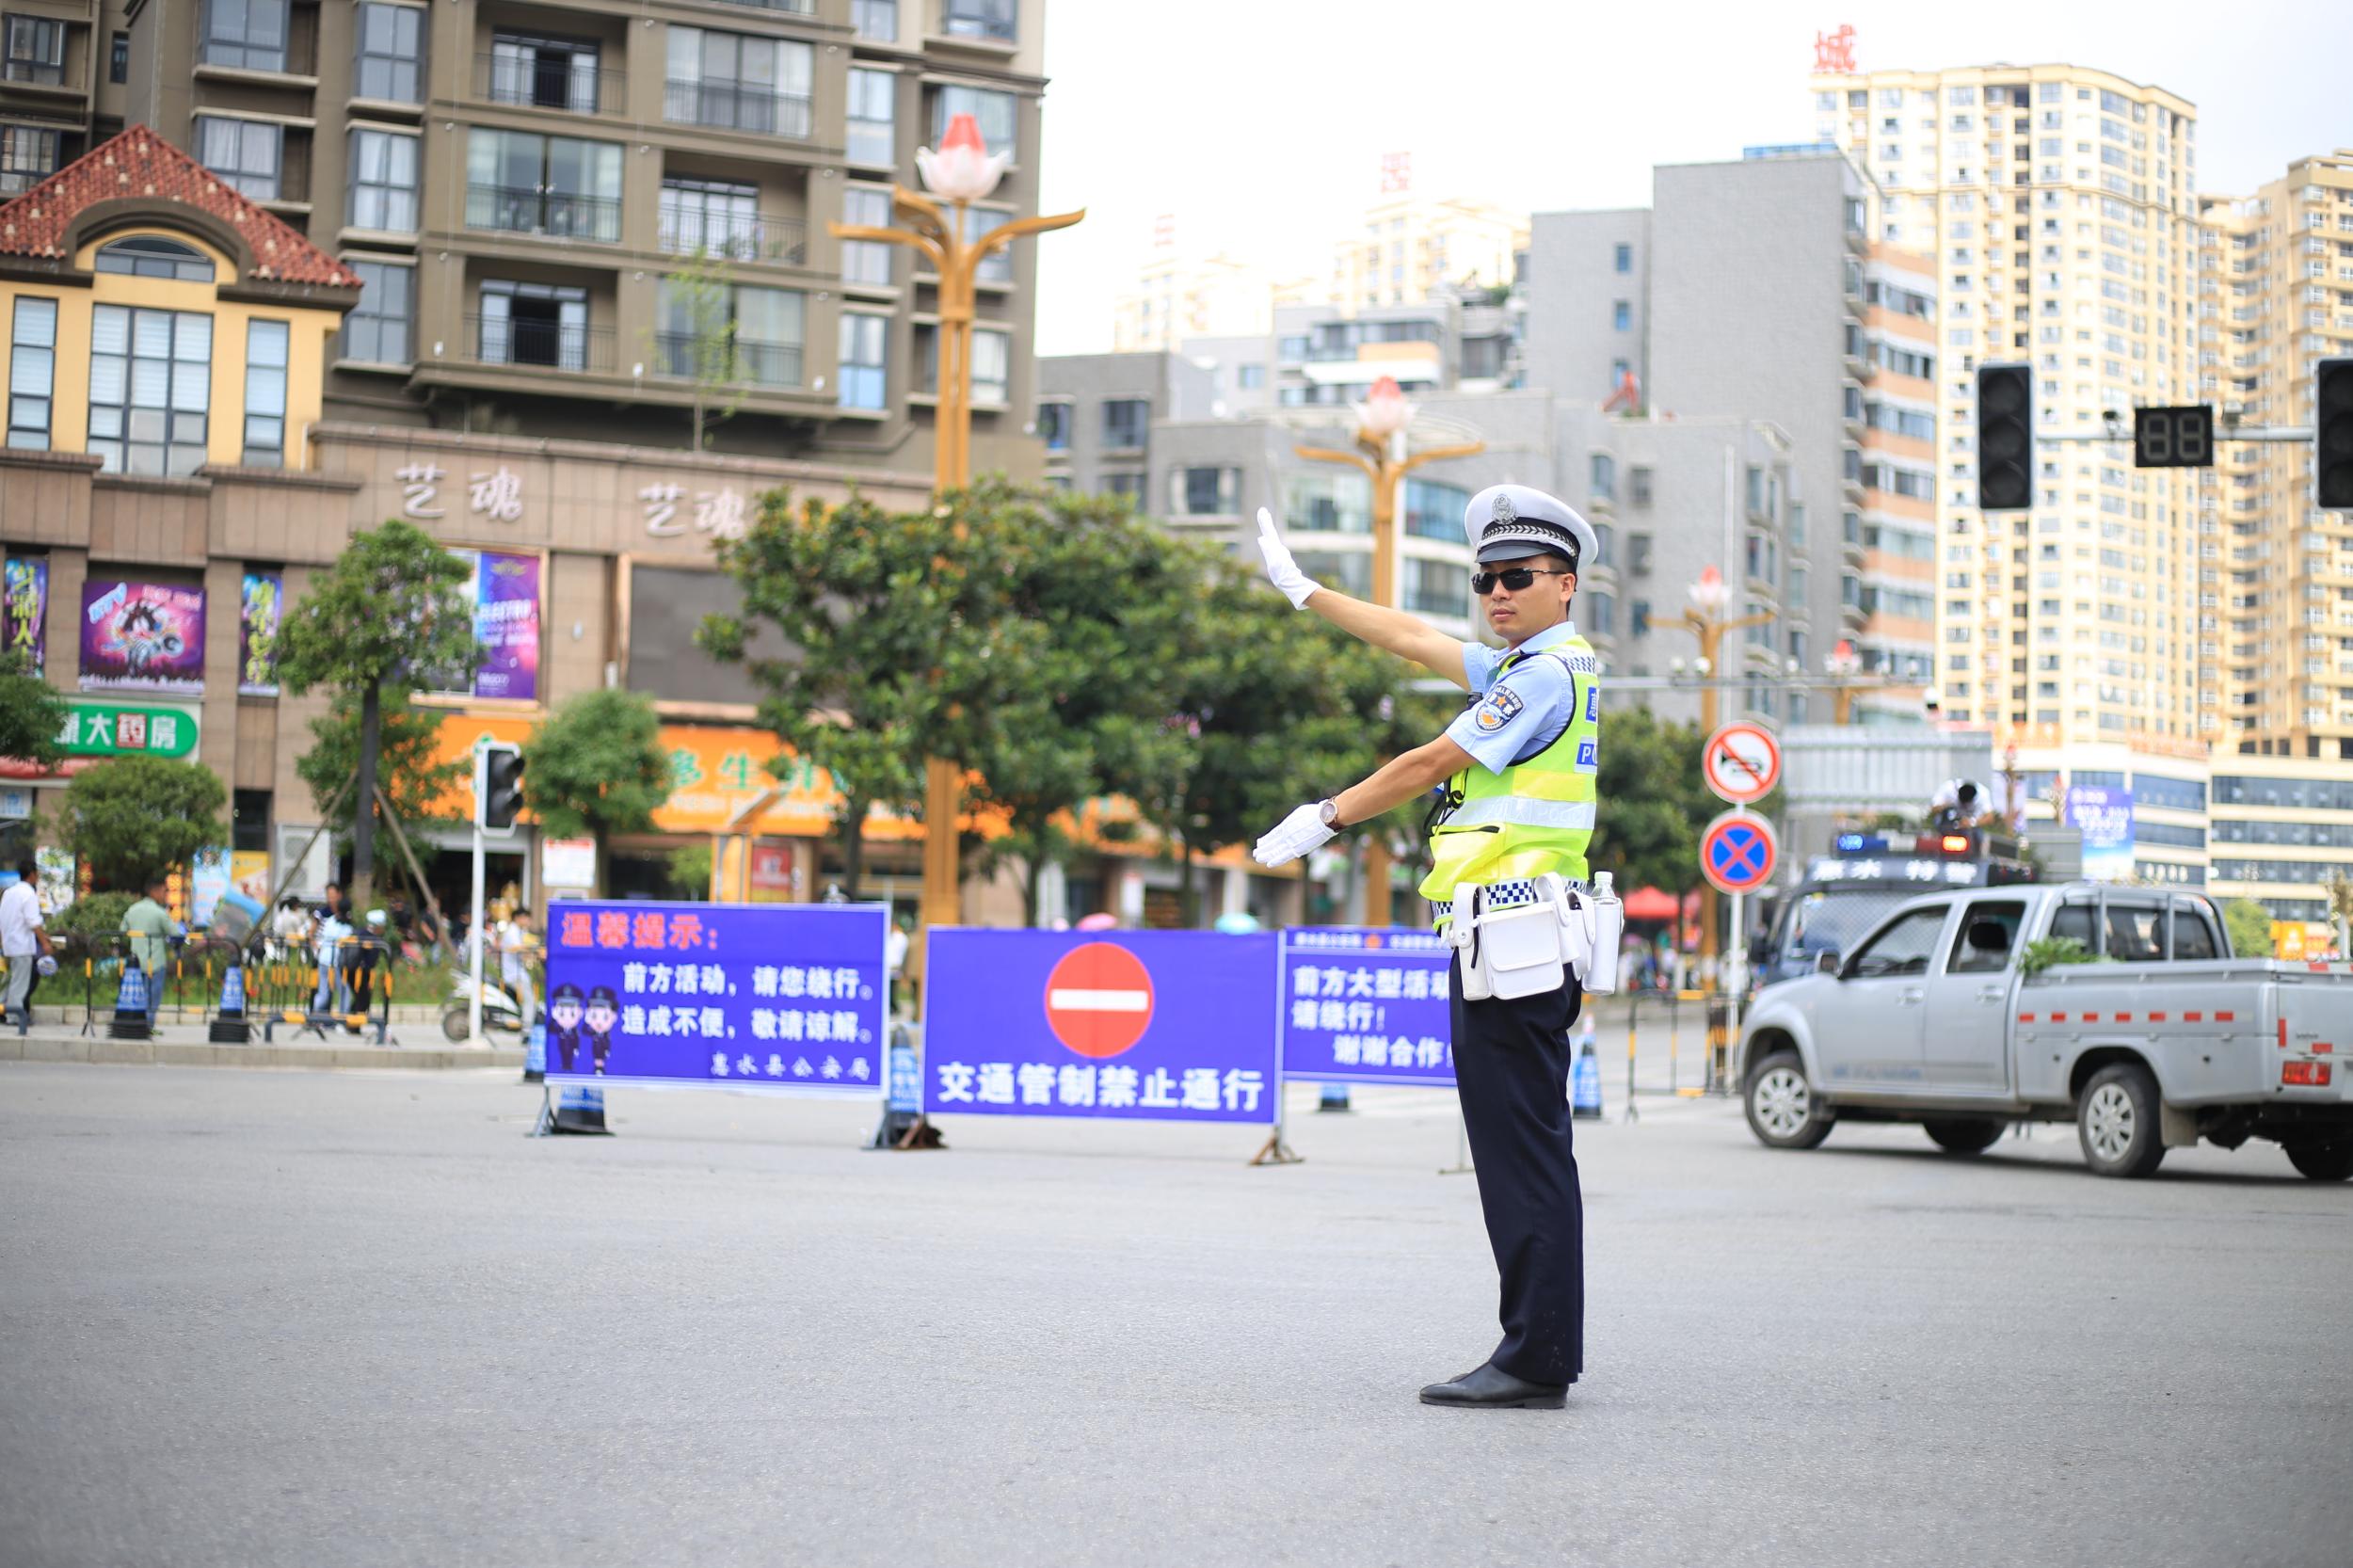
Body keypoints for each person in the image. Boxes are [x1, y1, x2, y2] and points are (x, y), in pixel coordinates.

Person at [1250, 485, 1600, 1412]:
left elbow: (1428, 764)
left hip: (1515, 939)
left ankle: (1533, 1355)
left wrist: (1324, 817)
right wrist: (1303, 590)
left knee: (1520, 1154)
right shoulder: (1531, 665)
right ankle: (1540, 1344)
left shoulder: (1539, 677)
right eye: (1485, 578)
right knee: (1525, 1150)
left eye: (1516, 577)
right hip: (1512, 937)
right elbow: (1408, 635)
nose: (1495, 593)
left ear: (1564, 584)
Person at [2, 856, 54, 1032]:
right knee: (20, 983)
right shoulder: (28, 894)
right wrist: (45, 943)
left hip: (8, 944)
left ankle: (3, 1009)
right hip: (22, 946)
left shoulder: (9, 892)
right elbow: (34, 922)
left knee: (10, 981)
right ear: (32, 875)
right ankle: (14, 1016)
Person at [121, 874, 175, 1022]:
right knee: (151, 1001)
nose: (166, 895)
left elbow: (122, 930)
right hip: (155, 963)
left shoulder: (132, 910)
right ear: (155, 891)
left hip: (135, 963)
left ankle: (134, 1027)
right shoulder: (160, 913)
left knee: (136, 999)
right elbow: (176, 934)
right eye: (165, 891)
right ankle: (147, 1029)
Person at [500, 906, 537, 1029]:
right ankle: (527, 1030)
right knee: (529, 1001)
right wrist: (533, 949)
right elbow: (516, 947)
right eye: (527, 918)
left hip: (516, 973)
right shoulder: (512, 931)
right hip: (514, 975)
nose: (528, 921)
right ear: (518, 918)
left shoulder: (518, 931)